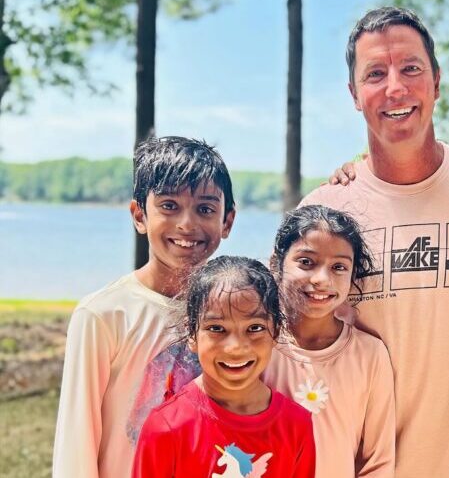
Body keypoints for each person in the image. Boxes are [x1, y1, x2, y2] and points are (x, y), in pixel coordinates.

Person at [303, 6, 449, 477]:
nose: (395, 87)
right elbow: (282, 348)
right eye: (375, 74)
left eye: (411, 68)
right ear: (354, 94)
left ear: (436, 79)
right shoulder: (325, 214)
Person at [53, 136, 237, 478]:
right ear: (139, 215)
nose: (187, 224)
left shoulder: (239, 312)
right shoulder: (103, 315)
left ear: (227, 221)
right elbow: (75, 445)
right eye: (169, 206)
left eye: (206, 209)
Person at [132, 256, 315, 477]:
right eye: (217, 328)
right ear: (191, 334)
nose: (236, 347)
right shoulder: (166, 427)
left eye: (255, 328)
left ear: (276, 331)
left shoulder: (296, 425)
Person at [263, 204, 395, 477]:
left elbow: (378, 461)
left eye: (338, 267)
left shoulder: (369, 355)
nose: (322, 279)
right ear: (276, 263)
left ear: (353, 276)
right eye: (306, 262)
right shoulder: (259, 345)